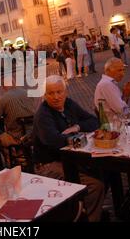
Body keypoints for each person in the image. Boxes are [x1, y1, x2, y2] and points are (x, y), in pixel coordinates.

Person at [32, 75, 105, 222]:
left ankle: (88, 208)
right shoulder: (43, 114)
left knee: (104, 171)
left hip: (72, 158)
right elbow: (54, 141)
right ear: (44, 95)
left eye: (59, 92)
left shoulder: (69, 104)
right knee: (95, 185)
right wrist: (77, 136)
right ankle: (86, 217)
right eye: (50, 93)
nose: (56, 97)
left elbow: (94, 121)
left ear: (66, 92)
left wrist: (76, 127)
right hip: (49, 164)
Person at [0, 77, 36, 150]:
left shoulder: (3, 99)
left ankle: (12, 159)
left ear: (3, 87)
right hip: (34, 132)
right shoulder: (28, 93)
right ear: (15, 83)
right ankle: (23, 156)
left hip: (17, 137)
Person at [94, 58, 130, 122]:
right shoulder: (106, 84)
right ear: (108, 70)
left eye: (123, 70)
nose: (122, 74)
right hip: (115, 125)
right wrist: (126, 96)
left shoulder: (109, 83)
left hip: (117, 122)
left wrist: (125, 94)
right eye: (119, 70)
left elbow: (121, 108)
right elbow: (122, 110)